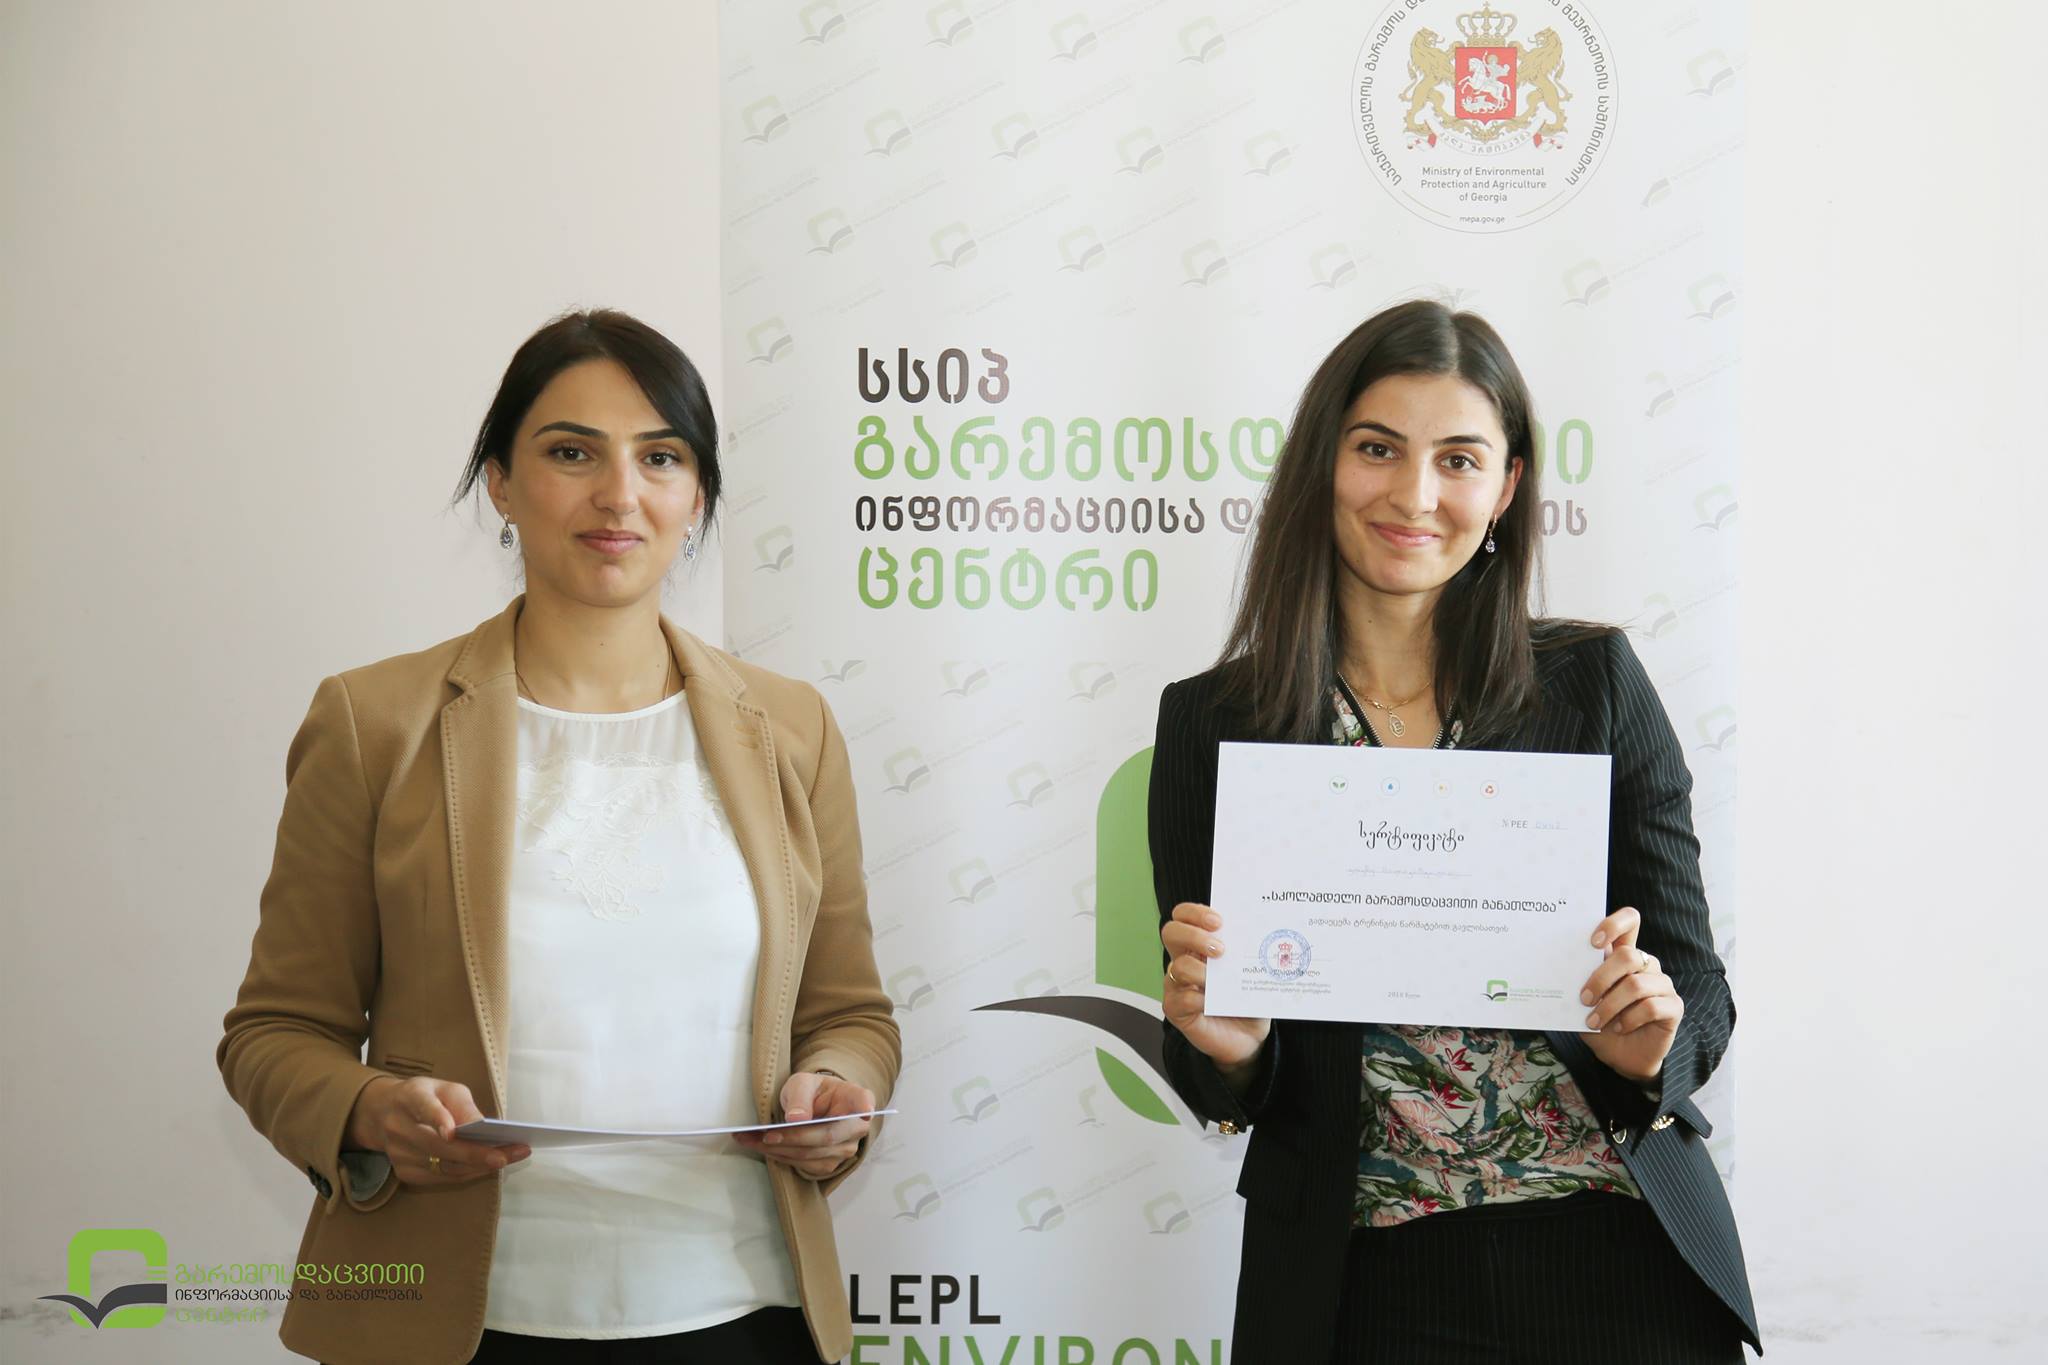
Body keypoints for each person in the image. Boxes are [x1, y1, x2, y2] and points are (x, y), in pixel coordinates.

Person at [219, 309, 900, 1365]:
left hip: (744, 1310)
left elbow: (849, 1014)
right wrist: (366, 1109)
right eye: (572, 452)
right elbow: (274, 1032)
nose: (619, 494)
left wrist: (836, 1092)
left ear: (697, 495)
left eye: (660, 457)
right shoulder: (374, 723)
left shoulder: (792, 727)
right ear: (499, 482)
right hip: (455, 1320)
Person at [1150, 301, 1758, 1363]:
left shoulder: (1593, 683)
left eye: (1459, 460)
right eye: (1377, 448)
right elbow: (1212, 1057)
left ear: (1506, 487)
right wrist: (1232, 1051)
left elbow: (1696, 984)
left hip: (1614, 1246)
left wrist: (1651, 1043)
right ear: (1321, 462)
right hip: (1363, 1277)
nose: (1414, 496)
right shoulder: (1217, 723)